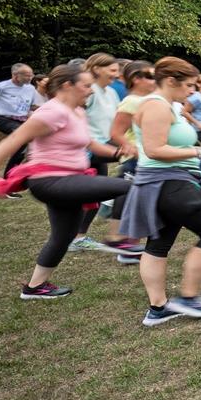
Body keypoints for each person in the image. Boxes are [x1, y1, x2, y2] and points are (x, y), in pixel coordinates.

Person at [0, 65, 133, 299]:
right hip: (52, 181)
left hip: (69, 180)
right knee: (128, 187)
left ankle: (34, 287)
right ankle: (120, 239)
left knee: (63, 236)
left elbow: (90, 144)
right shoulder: (52, 112)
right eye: (86, 86)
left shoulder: (76, 111)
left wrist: (120, 153)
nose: (90, 91)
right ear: (67, 86)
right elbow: (15, 140)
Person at [120, 57, 201, 327]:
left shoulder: (168, 106)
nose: (192, 90)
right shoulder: (156, 107)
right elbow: (155, 150)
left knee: (159, 242)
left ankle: (158, 308)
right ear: (170, 81)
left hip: (167, 180)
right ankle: (188, 297)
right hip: (165, 181)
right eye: (189, 85)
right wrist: (200, 151)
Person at [69, 53, 144, 258]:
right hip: (87, 149)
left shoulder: (110, 92)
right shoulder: (88, 91)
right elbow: (75, 117)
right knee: (132, 170)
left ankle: (79, 238)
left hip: (105, 145)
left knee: (97, 195)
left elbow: (116, 122)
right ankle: (116, 234)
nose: (116, 74)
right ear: (96, 69)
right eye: (112, 70)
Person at [0, 63, 44, 186]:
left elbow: (32, 106)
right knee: (24, 139)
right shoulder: (1, 87)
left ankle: (17, 174)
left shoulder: (30, 88)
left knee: (28, 144)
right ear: (15, 75)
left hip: (22, 120)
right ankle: (7, 178)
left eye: (32, 75)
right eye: (27, 75)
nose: (31, 78)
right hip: (4, 120)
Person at [110, 60, 157, 179]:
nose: (156, 81)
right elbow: (116, 133)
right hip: (135, 161)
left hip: (150, 157)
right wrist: (133, 150)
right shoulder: (131, 101)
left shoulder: (151, 100)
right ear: (136, 79)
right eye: (151, 77)